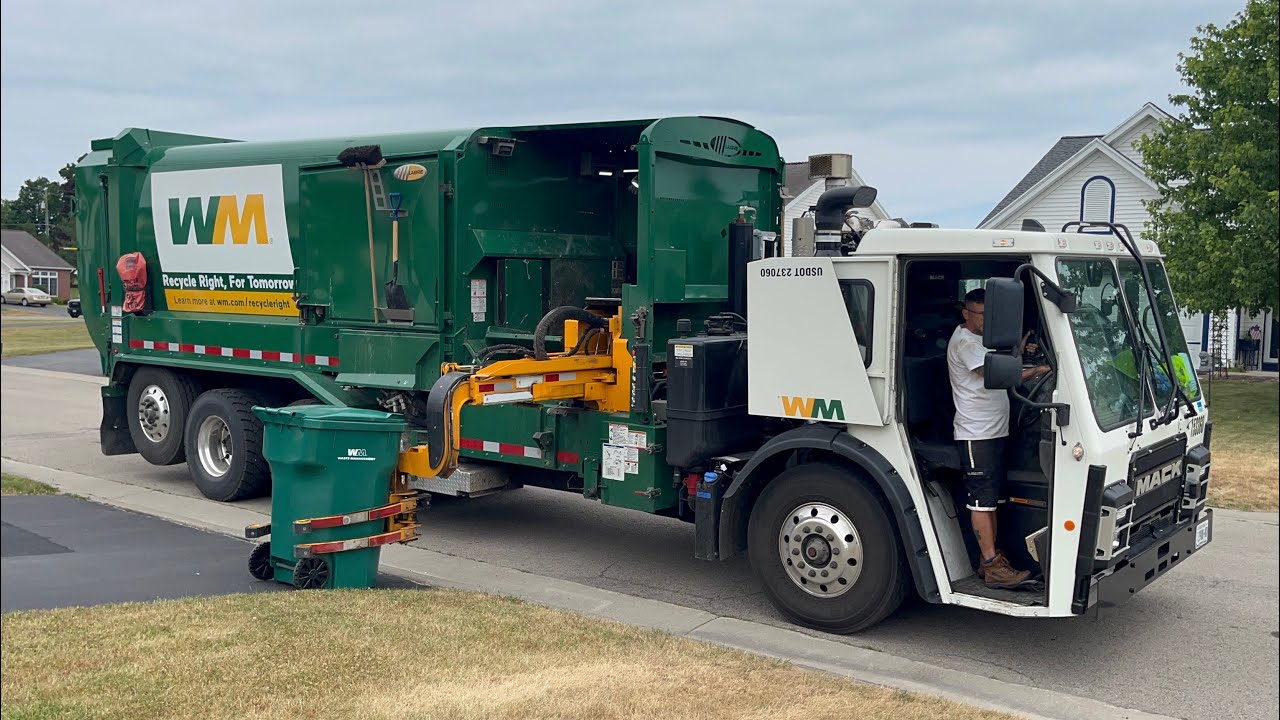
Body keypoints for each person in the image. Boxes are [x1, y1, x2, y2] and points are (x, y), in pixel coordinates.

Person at [947, 288, 1051, 589]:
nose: (987, 321)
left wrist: (1018, 350)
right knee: (981, 502)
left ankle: (989, 559)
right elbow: (998, 375)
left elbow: (1004, 361)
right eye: (981, 315)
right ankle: (993, 567)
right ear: (966, 313)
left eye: (991, 315)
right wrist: (1040, 369)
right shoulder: (965, 342)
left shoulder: (984, 339)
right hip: (975, 432)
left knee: (994, 501)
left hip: (996, 429)